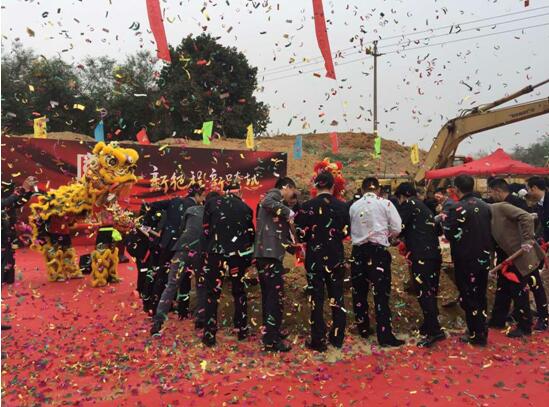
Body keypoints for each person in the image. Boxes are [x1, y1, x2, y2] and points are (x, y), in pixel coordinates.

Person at [295, 171, 350, 352]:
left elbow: (299, 233)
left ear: (316, 186)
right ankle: (337, 338)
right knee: (337, 297)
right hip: (335, 256)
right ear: (333, 186)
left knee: (316, 299)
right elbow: (346, 232)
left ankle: (318, 339)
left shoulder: (306, 206)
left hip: (315, 258)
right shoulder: (342, 206)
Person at [150, 191, 216, 335]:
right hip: (200, 251)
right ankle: (201, 319)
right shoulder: (214, 214)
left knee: (171, 285)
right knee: (201, 285)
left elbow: (182, 229)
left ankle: (158, 321)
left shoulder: (191, 210)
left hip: (182, 248)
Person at [349, 177, 404, 347]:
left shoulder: (354, 206)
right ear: (378, 189)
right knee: (381, 293)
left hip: (358, 252)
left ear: (362, 190)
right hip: (378, 252)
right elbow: (397, 227)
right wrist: (387, 235)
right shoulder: (385, 204)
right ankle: (384, 334)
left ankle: (363, 328)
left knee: (359, 291)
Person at [201, 183, 255, 347]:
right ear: (239, 192)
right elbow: (250, 235)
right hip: (237, 255)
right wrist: (248, 259)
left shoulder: (211, 203)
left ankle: (209, 334)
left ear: (224, 191)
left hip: (215, 253)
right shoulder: (246, 208)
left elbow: (205, 230)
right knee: (239, 291)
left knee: (212, 293)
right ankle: (242, 328)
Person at [443, 175, 493, 346]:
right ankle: (482, 329)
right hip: (483, 257)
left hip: (465, 258)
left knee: (469, 296)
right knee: (480, 294)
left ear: (456, 189)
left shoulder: (457, 208)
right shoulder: (485, 206)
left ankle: (476, 334)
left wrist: (443, 222)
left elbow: (449, 233)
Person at [394, 182, 445, 348]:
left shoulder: (408, 204)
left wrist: (392, 237)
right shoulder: (424, 207)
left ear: (402, 196)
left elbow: (398, 228)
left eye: (399, 199)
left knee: (424, 292)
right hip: (434, 254)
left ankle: (435, 332)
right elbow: (437, 230)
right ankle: (430, 324)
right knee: (431, 291)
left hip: (421, 255)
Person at [488, 199, 545, 338]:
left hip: (521, 255)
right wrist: (491, 267)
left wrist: (527, 239)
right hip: (505, 257)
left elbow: (526, 217)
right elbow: (490, 244)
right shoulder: (483, 219)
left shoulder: (500, 208)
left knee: (522, 289)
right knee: (503, 289)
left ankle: (526, 325)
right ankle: (497, 320)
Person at [254, 177, 298, 352]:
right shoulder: (273, 195)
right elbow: (266, 201)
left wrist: (294, 248)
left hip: (267, 256)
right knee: (274, 298)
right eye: (292, 191)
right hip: (269, 256)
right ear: (286, 187)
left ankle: (271, 331)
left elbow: (280, 233)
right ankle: (271, 340)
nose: (292, 195)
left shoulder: (276, 206)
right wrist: (289, 213)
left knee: (269, 297)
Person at [148, 184, 206, 314]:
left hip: (168, 243)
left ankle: (155, 307)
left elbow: (153, 205)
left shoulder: (175, 201)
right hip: (185, 246)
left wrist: (150, 225)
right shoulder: (196, 209)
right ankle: (182, 310)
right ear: (197, 195)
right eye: (202, 196)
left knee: (164, 276)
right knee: (184, 279)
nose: (203, 200)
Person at [1, 176, 38, 330]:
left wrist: (27, 192)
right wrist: (22, 189)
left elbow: (16, 203)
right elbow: (4, 203)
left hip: (5, 243)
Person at [526, 176, 549, 331]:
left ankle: (543, 312)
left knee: (544, 278)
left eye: (528, 189)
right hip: (545, 244)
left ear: (534, 188)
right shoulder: (540, 204)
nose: (528, 192)